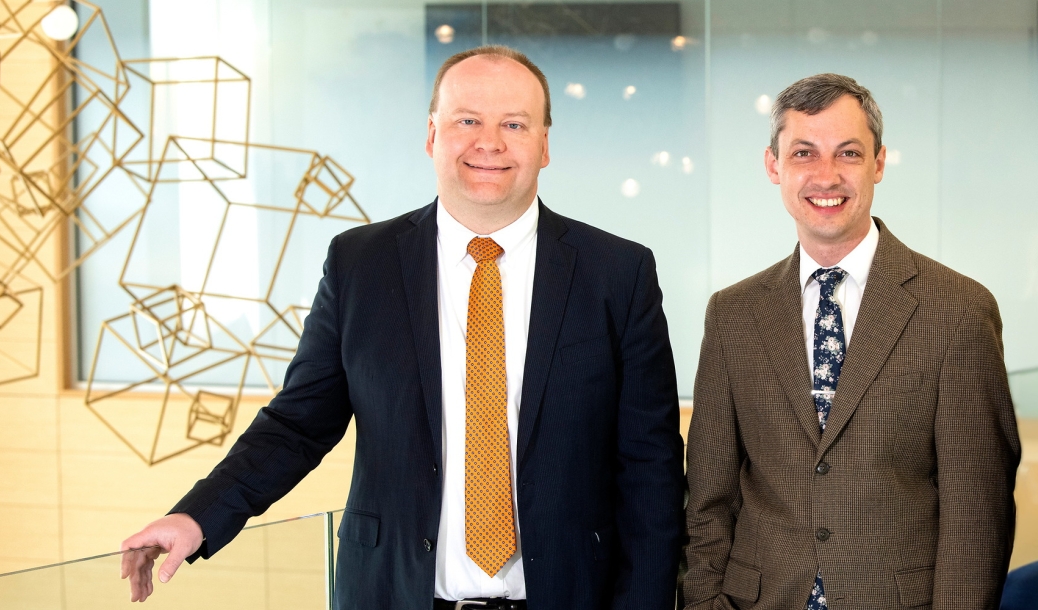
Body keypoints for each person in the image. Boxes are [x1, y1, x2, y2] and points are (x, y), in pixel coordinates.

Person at [120, 45, 686, 610]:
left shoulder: (617, 272)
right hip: (392, 594)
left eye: (514, 123)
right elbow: (297, 424)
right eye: (468, 120)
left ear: (543, 145)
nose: (489, 142)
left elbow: (650, 467)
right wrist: (198, 515)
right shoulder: (359, 264)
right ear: (432, 135)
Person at [682, 74, 1021, 610]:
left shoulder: (959, 312)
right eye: (803, 153)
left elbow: (977, 514)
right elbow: (708, 495)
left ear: (879, 163)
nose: (826, 176)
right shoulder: (733, 314)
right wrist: (701, 603)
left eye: (848, 153)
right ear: (774, 166)